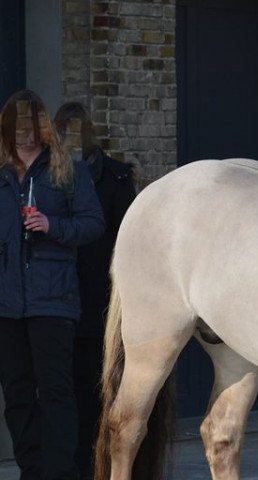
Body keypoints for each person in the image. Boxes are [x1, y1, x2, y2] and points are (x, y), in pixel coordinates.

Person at [0, 90, 105, 479]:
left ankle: (61, 473)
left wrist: (52, 225)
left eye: (32, 130)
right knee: (18, 396)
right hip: (7, 305)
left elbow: (93, 223)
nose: (26, 139)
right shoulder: (2, 173)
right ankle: (32, 471)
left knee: (57, 393)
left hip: (53, 300)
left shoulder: (67, 170)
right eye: (18, 131)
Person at [54, 102, 137, 479]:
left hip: (99, 303)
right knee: (64, 388)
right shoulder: (47, 177)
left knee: (96, 386)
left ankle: (99, 464)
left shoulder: (116, 180)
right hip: (59, 301)